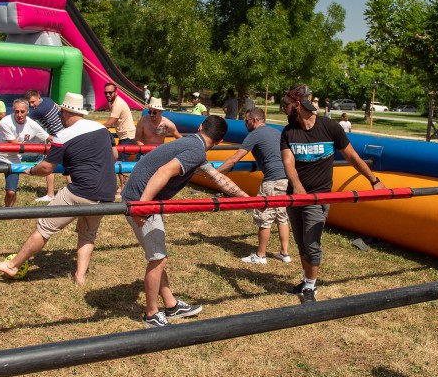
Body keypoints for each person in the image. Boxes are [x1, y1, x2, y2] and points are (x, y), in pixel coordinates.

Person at [123, 116, 249, 327]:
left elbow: (217, 178)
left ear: (200, 127)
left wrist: (248, 200)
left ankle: (171, 306)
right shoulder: (195, 150)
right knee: (158, 259)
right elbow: (164, 171)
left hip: (142, 199)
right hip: (142, 202)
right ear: (219, 142)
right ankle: (151, 315)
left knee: (159, 256)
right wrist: (141, 206)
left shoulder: (193, 146)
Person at [0, 93, 118, 286]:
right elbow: (114, 155)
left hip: (80, 191)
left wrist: (30, 171)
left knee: (44, 227)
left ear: (65, 112)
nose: (60, 117)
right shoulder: (102, 129)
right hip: (107, 193)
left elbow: (46, 168)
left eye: (61, 113)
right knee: (88, 234)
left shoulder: (63, 136)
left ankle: (13, 265)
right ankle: (80, 277)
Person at [280, 84, 386, 303]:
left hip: (319, 196)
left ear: (298, 105)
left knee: (312, 242)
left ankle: (310, 287)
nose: (285, 107)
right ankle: (306, 279)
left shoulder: (330, 128)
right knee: (301, 242)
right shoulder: (289, 132)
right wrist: (297, 187)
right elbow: (288, 163)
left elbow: (353, 157)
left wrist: (374, 180)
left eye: (288, 104)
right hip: (295, 196)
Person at [216, 108, 292, 264]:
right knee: (282, 216)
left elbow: (234, 159)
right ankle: (284, 253)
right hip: (286, 178)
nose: (245, 123)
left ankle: (260, 256)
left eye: (246, 120)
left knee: (264, 217)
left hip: (272, 180)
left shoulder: (254, 134)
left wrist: (215, 172)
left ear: (255, 120)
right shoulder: (275, 132)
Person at [26, 89, 64, 203]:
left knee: (48, 165)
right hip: (65, 135)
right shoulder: (48, 100)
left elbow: (25, 120)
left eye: (33, 102)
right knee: (69, 164)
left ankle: (50, 194)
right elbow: (58, 108)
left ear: (38, 97)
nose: (32, 105)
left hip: (56, 138)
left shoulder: (38, 110)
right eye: (30, 103)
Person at [102, 83, 137, 198]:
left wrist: (95, 128)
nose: (107, 95)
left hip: (128, 137)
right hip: (125, 137)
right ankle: (123, 187)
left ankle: (124, 190)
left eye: (110, 92)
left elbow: (109, 123)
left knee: (121, 164)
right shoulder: (113, 102)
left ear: (116, 92)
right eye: (105, 92)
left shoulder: (118, 104)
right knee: (119, 162)